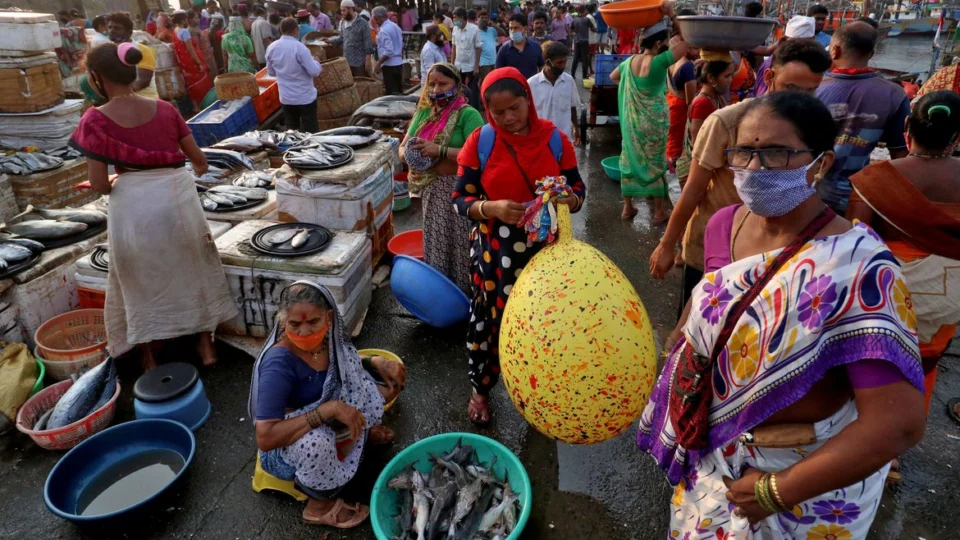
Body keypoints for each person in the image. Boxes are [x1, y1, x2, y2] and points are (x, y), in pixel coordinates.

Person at [639, 89, 925, 540]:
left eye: (776, 152)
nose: (755, 168)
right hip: (715, 451)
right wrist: (677, 352)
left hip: (801, 476)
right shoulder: (724, 225)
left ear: (822, 164)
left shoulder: (857, 265)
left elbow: (898, 423)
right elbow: (710, 300)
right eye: (745, 152)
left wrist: (776, 491)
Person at [70, 43, 237, 370]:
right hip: (177, 199)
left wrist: (127, 180)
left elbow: (101, 184)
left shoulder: (94, 120)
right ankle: (206, 346)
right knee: (192, 267)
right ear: (133, 72)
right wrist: (191, 170)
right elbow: (200, 161)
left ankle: (148, 355)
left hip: (133, 207)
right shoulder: (165, 109)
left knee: (139, 277)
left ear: (95, 77)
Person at [649, 40, 832, 326]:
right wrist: (667, 244)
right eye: (792, 89)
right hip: (713, 249)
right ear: (770, 78)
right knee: (696, 329)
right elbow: (694, 189)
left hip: (773, 252)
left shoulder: (811, 127)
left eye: (811, 92)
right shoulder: (727, 121)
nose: (801, 102)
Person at [451, 67, 586, 424]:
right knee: (489, 323)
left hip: (545, 252)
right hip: (495, 254)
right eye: (499, 113)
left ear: (528, 99)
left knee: (544, 325)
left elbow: (578, 192)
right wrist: (489, 207)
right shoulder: (481, 142)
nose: (509, 118)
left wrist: (566, 199)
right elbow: (459, 201)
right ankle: (481, 390)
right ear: (488, 112)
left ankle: (541, 391)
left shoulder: (555, 140)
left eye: (515, 108)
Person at [250, 282, 404, 528]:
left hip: (328, 416)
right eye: (295, 324)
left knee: (382, 388)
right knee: (317, 444)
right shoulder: (278, 364)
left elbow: (348, 362)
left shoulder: (329, 339)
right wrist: (327, 410)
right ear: (282, 322)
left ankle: (359, 433)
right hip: (287, 446)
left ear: (328, 318)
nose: (303, 332)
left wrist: (375, 362)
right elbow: (266, 438)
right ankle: (319, 507)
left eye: (313, 321)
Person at [847, 91, 960, 421]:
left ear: (906, 127)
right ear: (957, 136)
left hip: (884, 298)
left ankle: (864, 442)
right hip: (946, 302)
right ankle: (898, 443)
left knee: (873, 367)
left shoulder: (875, 179)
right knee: (921, 366)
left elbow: (856, 245)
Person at [399, 63, 484, 292]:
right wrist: (409, 155)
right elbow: (403, 146)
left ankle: (466, 295)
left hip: (461, 190)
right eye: (432, 83)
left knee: (461, 244)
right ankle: (441, 294)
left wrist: (440, 151)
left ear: (457, 85)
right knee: (437, 243)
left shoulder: (468, 115)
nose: (436, 89)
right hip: (432, 191)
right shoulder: (424, 112)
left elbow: (481, 154)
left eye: (443, 83)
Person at [817, 21, 910, 214]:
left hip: (813, 195)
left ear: (834, 50)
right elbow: (900, 155)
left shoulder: (814, 88)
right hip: (859, 197)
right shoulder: (894, 94)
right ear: (872, 54)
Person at [611, 6, 688, 224]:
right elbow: (687, 41)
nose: (665, 45)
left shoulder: (628, 62)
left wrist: (632, 91)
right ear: (657, 43)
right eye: (663, 41)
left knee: (629, 158)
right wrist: (672, 15)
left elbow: (613, 76)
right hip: (654, 121)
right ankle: (657, 212)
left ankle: (627, 208)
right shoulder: (660, 62)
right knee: (655, 162)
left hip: (632, 121)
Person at [673, 52, 733, 186]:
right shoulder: (703, 103)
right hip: (694, 171)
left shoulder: (716, 97)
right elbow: (698, 146)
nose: (730, 80)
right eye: (727, 76)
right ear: (711, 78)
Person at [267, 18, 322, 132]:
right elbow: (314, 72)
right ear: (296, 30)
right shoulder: (300, 48)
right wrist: (316, 61)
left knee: (292, 131)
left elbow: (271, 72)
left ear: (281, 30)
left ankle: (295, 149)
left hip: (286, 98)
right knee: (311, 130)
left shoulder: (271, 48)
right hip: (305, 97)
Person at [529, 42, 581, 146]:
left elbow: (572, 107)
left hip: (564, 140)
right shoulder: (531, 84)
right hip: (540, 141)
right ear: (548, 62)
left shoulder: (568, 81)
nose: (563, 66)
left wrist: (576, 127)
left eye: (565, 62)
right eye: (559, 63)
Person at [665, 10, 698, 168]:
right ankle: (671, 180)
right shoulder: (688, 67)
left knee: (669, 143)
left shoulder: (671, 45)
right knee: (676, 147)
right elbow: (691, 104)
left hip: (670, 102)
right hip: (679, 110)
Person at [755, 15, 816, 97]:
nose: (802, 50)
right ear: (784, 41)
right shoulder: (771, 65)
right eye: (796, 45)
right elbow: (761, 99)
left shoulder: (811, 65)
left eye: (807, 45)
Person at [106, 12, 159, 99]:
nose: (111, 30)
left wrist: (118, 95)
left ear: (129, 32)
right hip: (119, 101)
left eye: (117, 28)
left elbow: (143, 82)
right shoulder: (108, 51)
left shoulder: (143, 50)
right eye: (109, 27)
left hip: (146, 100)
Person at [173, 11, 213, 108]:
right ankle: (205, 104)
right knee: (201, 81)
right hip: (192, 62)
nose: (187, 21)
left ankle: (196, 106)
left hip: (185, 63)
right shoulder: (184, 31)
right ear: (183, 20)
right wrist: (199, 63)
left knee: (191, 83)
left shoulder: (175, 30)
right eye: (186, 19)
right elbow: (191, 50)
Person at [330, 0, 374, 77]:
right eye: (341, 11)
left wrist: (367, 61)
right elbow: (342, 38)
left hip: (359, 62)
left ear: (350, 9)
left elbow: (368, 42)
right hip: (347, 61)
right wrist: (330, 41)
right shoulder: (343, 22)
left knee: (361, 84)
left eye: (344, 10)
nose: (342, 13)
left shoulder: (362, 23)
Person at [496, 14, 544, 80]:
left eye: (516, 28)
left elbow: (541, 69)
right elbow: (499, 73)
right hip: (513, 89)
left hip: (531, 88)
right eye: (510, 28)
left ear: (525, 28)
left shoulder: (535, 47)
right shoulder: (504, 50)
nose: (513, 31)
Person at [451, 7, 482, 108]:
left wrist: (476, 66)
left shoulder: (474, 29)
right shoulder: (455, 29)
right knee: (459, 88)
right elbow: (454, 47)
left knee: (473, 91)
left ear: (463, 18)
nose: (454, 21)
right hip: (458, 65)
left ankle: (474, 110)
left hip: (471, 65)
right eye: (453, 18)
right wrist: (452, 64)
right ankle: (460, 107)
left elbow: (478, 48)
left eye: (456, 18)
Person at [372, 6, 403, 95]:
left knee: (392, 93)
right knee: (398, 91)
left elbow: (389, 50)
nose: (374, 20)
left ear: (379, 18)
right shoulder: (395, 26)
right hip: (398, 63)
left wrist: (379, 63)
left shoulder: (384, 30)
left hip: (389, 66)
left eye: (374, 18)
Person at [477, 9, 500, 90]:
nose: (484, 19)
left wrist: (494, 25)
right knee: (485, 82)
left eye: (486, 18)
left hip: (493, 61)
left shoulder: (491, 30)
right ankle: (482, 99)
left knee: (493, 81)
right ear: (478, 19)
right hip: (483, 63)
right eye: (482, 18)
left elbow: (504, 33)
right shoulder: (476, 32)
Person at [570, 5, 595, 81]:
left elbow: (571, 30)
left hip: (577, 41)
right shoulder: (587, 20)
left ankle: (572, 74)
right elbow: (593, 28)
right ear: (584, 11)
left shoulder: (574, 20)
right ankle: (584, 75)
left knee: (576, 58)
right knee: (585, 59)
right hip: (585, 41)